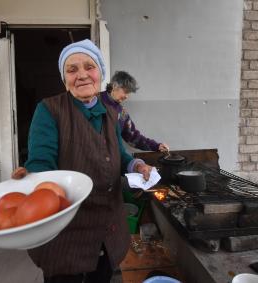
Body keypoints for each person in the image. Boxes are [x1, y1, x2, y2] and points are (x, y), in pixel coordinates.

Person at [22, 39, 153, 283]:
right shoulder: (49, 110)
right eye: (72, 70)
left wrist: (136, 165)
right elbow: (41, 162)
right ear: (64, 80)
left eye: (89, 67)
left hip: (108, 228)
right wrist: (34, 181)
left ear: (100, 74)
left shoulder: (111, 113)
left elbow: (120, 154)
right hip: (68, 233)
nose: (81, 75)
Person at [102, 71, 170, 152]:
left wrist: (156, 146)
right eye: (126, 92)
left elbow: (133, 137)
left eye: (129, 93)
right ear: (115, 86)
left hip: (112, 159)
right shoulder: (94, 101)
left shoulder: (122, 113)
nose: (127, 97)